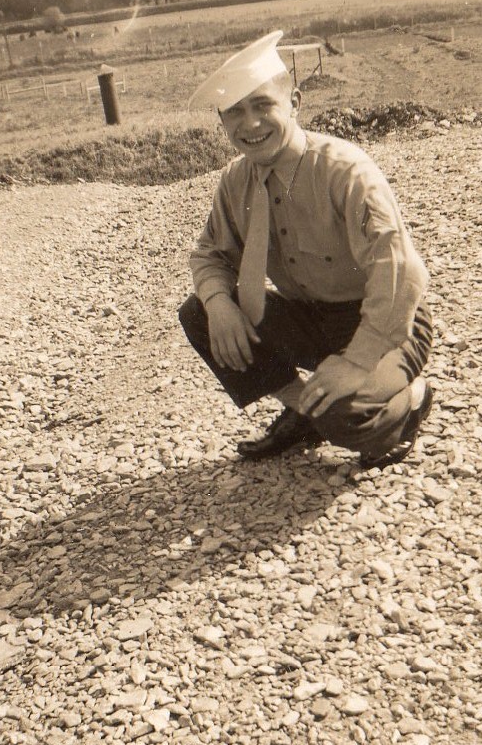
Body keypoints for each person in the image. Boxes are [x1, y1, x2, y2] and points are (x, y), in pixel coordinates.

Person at [179, 30, 434, 468]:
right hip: (311, 318)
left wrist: (358, 361)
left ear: (294, 102)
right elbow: (211, 255)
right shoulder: (236, 180)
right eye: (234, 111)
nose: (250, 124)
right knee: (199, 312)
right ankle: (305, 410)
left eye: (263, 105)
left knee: (347, 420)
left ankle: (412, 398)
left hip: (385, 320)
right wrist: (219, 303)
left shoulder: (344, 170)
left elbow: (400, 271)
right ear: (222, 121)